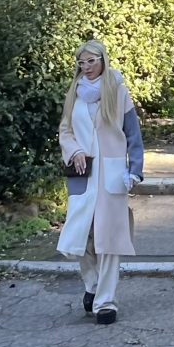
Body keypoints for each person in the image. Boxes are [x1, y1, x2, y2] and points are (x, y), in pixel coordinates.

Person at [57, 39, 144, 325]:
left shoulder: (117, 91)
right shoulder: (75, 93)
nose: (86, 68)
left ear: (103, 60)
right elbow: (65, 131)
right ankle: (92, 285)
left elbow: (133, 134)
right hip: (82, 174)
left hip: (112, 173)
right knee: (82, 237)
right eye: (82, 63)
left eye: (91, 61)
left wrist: (135, 170)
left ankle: (105, 302)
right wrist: (75, 151)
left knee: (109, 238)